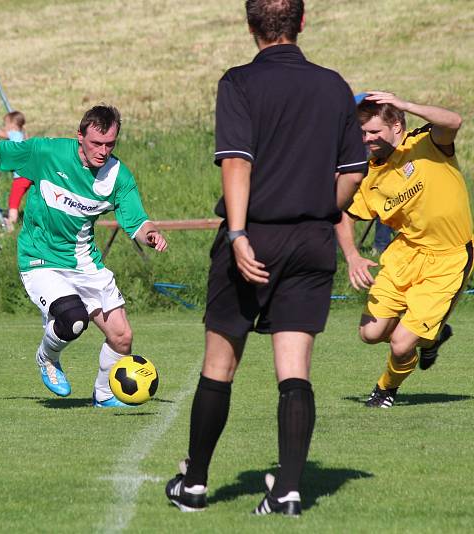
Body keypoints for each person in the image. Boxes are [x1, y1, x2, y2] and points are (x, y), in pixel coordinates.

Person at [164, 0, 367, 516]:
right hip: (311, 242)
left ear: (250, 24)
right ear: (302, 22)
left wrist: (237, 234)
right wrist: (319, 207)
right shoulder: (334, 86)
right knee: (294, 369)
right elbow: (352, 175)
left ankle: (195, 485)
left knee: (219, 364)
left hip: (253, 237)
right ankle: (290, 490)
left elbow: (237, 162)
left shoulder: (239, 82)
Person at [0, 104, 168, 407]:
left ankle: (103, 395)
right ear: (80, 137)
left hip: (85, 263)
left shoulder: (118, 177)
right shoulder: (47, 153)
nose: (102, 151)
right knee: (74, 320)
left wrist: (150, 234)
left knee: (122, 337)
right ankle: (47, 357)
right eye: (95, 143)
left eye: (109, 144)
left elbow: (137, 221)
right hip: (40, 259)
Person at [336, 91, 471, 409]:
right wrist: (352, 256)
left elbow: (455, 121)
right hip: (405, 253)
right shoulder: (368, 175)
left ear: (396, 124)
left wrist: (408, 104)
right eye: (362, 133)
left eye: (373, 132)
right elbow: (342, 215)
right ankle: (431, 334)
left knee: (399, 345)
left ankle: (385, 390)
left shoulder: (426, 143)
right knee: (369, 333)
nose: (366, 139)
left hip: (449, 259)